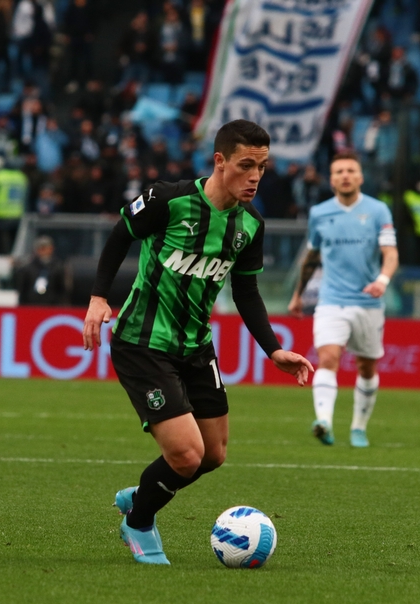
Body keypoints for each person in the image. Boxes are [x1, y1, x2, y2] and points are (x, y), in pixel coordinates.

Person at [82, 119, 314, 565]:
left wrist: (274, 349)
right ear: (220, 161)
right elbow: (120, 235)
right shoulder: (168, 200)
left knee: (214, 455)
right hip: (142, 341)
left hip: (196, 346)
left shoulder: (250, 225)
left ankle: (143, 494)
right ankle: (139, 522)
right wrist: (97, 298)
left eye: (263, 167)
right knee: (187, 455)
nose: (255, 177)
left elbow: (246, 292)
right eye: (247, 165)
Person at [289, 151, 399, 449]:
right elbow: (311, 257)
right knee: (327, 358)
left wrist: (382, 281)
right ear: (332, 179)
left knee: (366, 367)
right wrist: (298, 294)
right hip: (331, 300)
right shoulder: (320, 213)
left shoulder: (378, 211)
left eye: (351, 170)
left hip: (368, 303)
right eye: (339, 171)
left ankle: (358, 427)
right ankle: (323, 420)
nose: (345, 175)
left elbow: (390, 253)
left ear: (360, 177)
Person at [15, 235, 64, 305]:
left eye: (44, 248)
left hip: (52, 306)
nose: (42, 251)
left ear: (51, 249)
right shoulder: (28, 268)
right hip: (32, 305)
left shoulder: (58, 267)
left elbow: (61, 290)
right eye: (40, 248)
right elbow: (23, 289)